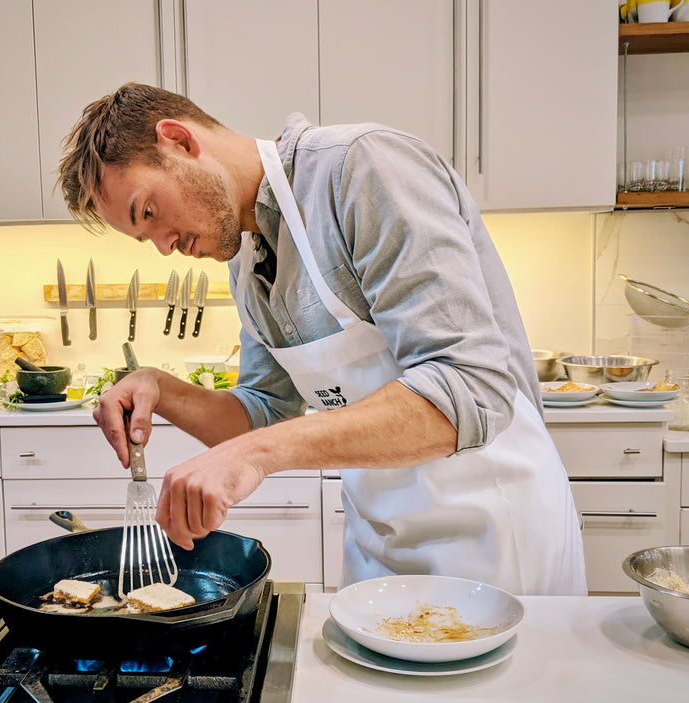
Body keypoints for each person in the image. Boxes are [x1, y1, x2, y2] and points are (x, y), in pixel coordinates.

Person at [58, 82, 587, 595]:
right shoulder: (243, 259)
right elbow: (266, 411)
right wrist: (161, 388)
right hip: (381, 542)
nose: (165, 246)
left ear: (179, 140)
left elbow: (468, 386)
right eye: (144, 237)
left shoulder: (361, 168)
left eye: (148, 211)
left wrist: (254, 455)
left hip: (494, 532)